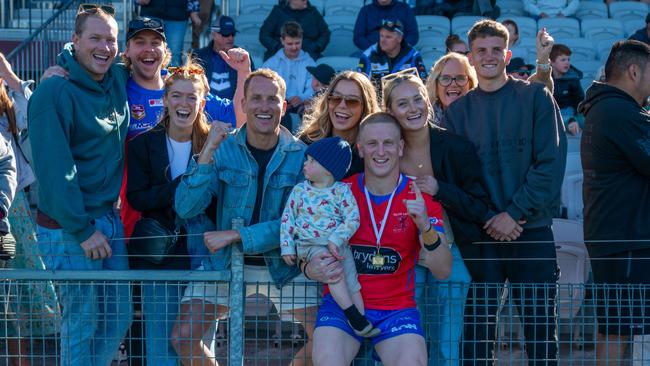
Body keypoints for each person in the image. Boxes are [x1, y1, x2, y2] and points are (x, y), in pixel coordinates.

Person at [442, 20, 566, 366]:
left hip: (532, 230)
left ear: (508, 54)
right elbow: (460, 180)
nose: (490, 56)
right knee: (478, 334)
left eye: (497, 49)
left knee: (541, 333)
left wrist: (514, 212)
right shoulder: (458, 113)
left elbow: (550, 164)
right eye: (481, 50)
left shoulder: (536, 97)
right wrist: (491, 217)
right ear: (471, 56)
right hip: (482, 236)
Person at [171, 69, 315, 366]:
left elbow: (297, 223)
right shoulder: (223, 149)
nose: (264, 106)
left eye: (272, 99)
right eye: (256, 99)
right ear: (244, 105)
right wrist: (208, 150)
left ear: (284, 106)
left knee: (326, 337)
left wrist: (239, 235)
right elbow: (185, 207)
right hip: (226, 262)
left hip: (282, 265)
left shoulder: (301, 156)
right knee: (183, 337)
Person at [27, 4, 133, 365]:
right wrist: (83, 229)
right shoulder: (53, 92)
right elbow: (55, 173)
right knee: (81, 322)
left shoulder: (116, 78)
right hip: (69, 226)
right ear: (74, 41)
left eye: (111, 40)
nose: (104, 47)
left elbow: (153, 62)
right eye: (95, 38)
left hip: (107, 219)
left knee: (119, 318)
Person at [308, 112, 452, 366]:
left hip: (396, 310)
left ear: (400, 147)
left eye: (388, 143)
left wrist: (425, 226)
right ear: (360, 149)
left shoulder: (420, 198)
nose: (380, 151)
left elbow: (443, 270)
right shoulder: (338, 193)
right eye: (372, 144)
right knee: (326, 361)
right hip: (343, 306)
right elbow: (307, 249)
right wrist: (310, 268)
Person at [382, 70, 491, 366]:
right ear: (390, 111)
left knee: (447, 345)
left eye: (418, 99)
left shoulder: (456, 146)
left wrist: (439, 189)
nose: (413, 108)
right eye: (403, 104)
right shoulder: (384, 149)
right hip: (401, 257)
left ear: (428, 102)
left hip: (452, 252)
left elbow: (481, 207)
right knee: (405, 340)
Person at [126, 59, 222, 365]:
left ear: (201, 102)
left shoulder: (215, 145)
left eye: (191, 97)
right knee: (160, 347)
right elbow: (138, 198)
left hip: (203, 256)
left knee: (197, 345)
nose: (184, 103)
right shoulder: (143, 145)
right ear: (165, 100)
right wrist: (184, 185)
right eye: (177, 96)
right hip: (160, 256)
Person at [578, 39, 650, 366]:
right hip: (627, 241)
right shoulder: (619, 111)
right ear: (634, 71)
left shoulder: (609, 107)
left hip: (615, 238)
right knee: (625, 328)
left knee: (614, 325)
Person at [281, 136, 381, 338]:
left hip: (339, 246)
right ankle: (353, 316)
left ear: (328, 168)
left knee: (353, 284)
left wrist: (336, 239)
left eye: (311, 161)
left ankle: (361, 325)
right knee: (333, 273)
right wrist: (287, 247)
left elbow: (353, 218)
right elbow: (287, 219)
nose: (305, 164)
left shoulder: (342, 191)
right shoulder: (300, 190)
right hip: (311, 245)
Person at [0, 52, 59, 365]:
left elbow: (35, 109)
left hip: (11, 207)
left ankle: (20, 361)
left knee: (17, 291)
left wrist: (10, 76)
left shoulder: (8, 106)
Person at [298, 70, 380, 176]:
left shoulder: (375, 151)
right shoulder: (308, 141)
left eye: (352, 101)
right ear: (328, 101)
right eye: (336, 98)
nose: (342, 105)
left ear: (365, 107)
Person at [262, 21, 316, 130]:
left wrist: (302, 98)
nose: (294, 47)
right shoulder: (271, 63)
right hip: (279, 103)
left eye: (297, 43)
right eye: (290, 44)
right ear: (282, 41)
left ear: (302, 40)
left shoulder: (310, 62)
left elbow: (314, 87)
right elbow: (263, 85)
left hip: (302, 105)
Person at [357, 18, 427, 93]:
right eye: (381, 36)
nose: (383, 40)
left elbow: (423, 85)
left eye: (388, 37)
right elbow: (360, 86)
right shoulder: (368, 55)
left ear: (399, 39)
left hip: (404, 102)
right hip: (376, 103)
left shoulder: (413, 55)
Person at [195, 16, 257, 100]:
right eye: (225, 34)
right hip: (205, 107)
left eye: (233, 34)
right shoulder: (199, 56)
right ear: (214, 35)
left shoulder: (243, 56)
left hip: (234, 108)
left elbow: (251, 85)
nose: (230, 38)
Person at [260, 0, 331, 61]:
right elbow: (264, 34)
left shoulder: (313, 12)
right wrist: (278, 47)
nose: (306, 1)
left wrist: (316, 46)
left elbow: (325, 33)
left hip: (309, 54)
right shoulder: (278, 12)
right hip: (281, 54)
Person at [137, 0, 201, 65]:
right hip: (151, 13)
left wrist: (194, 10)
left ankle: (172, 75)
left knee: (174, 55)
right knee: (147, 51)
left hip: (177, 15)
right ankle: (146, 74)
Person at [354, 0, 419, 51]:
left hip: (399, 53)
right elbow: (358, 37)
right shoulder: (366, 10)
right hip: (371, 51)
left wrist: (399, 49)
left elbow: (413, 34)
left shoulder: (405, 8)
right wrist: (373, 49)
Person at [551, 44, 585, 136]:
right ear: (552, 63)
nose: (567, 63)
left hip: (570, 114)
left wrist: (575, 118)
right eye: (563, 60)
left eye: (568, 59)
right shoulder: (544, 79)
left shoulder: (573, 79)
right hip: (551, 116)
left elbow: (580, 102)